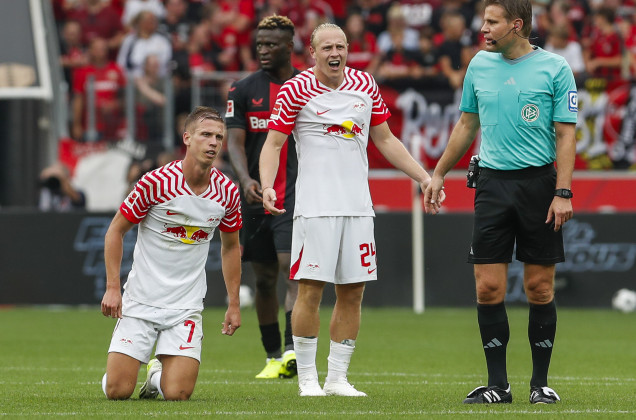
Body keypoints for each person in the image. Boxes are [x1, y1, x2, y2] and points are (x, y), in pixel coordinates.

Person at [259, 23, 439, 397]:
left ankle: (337, 378)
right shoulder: (295, 89)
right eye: (327, 47)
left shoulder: (365, 85)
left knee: (352, 293)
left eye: (340, 46)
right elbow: (274, 143)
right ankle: (307, 378)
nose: (334, 53)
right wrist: (267, 186)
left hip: (357, 207)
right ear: (312, 52)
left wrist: (423, 178)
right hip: (315, 208)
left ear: (348, 49)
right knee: (309, 291)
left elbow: (386, 140)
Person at [424, 0, 577, 405]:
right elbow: (466, 124)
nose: (483, 28)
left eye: (491, 22)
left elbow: (565, 135)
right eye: (483, 21)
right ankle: (498, 385)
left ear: (516, 24)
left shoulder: (556, 68)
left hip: (540, 186)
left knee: (539, 287)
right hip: (491, 185)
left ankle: (540, 384)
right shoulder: (479, 65)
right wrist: (438, 172)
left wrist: (563, 192)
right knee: (488, 287)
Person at [100, 106, 243, 401]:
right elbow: (115, 231)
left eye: (219, 136)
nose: (214, 142)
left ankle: (156, 376)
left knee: (177, 394)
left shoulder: (227, 192)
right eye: (206, 135)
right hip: (140, 301)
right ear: (187, 138)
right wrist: (114, 288)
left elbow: (230, 248)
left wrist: (234, 304)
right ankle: (128, 370)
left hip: (185, 307)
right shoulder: (155, 183)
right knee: (118, 391)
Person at [225, 15, 300, 380]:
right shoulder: (242, 89)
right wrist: (245, 180)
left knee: (292, 269)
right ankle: (273, 354)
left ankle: (292, 350)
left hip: (297, 196)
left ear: (290, 47)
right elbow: (234, 143)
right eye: (259, 45)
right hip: (255, 198)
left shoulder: (308, 86)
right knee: (265, 278)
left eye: (271, 45)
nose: (263, 51)